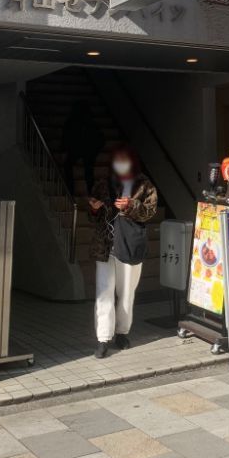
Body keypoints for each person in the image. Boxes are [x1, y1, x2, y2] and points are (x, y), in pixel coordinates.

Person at [88, 145, 157, 358]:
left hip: (129, 243)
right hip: (105, 245)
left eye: (125, 160)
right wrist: (94, 208)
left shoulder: (144, 184)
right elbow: (91, 214)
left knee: (127, 291)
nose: (121, 165)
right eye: (117, 161)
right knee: (104, 292)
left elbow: (150, 211)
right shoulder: (103, 184)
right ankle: (103, 338)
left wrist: (131, 205)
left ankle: (122, 332)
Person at [62, 100, 104, 196]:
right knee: (88, 172)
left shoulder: (73, 121)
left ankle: (71, 191)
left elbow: (66, 136)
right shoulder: (89, 121)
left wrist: (66, 147)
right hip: (86, 150)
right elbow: (101, 138)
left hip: (81, 149)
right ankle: (91, 194)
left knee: (70, 167)